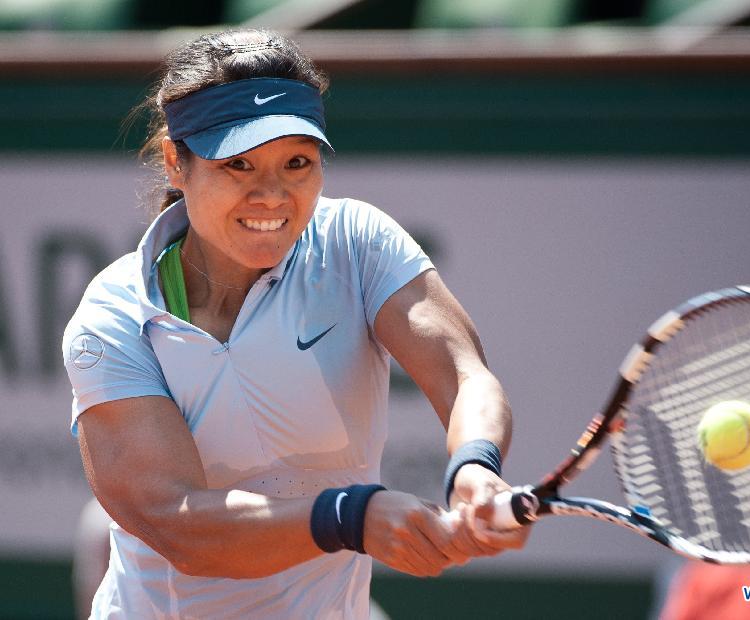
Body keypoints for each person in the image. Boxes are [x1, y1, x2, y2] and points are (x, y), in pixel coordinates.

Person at [62, 28, 528, 618]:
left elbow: (464, 376)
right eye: (239, 164)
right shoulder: (113, 317)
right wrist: (349, 517)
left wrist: (476, 464)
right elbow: (179, 524)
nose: (272, 195)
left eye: (298, 163)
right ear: (175, 162)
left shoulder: (357, 242)